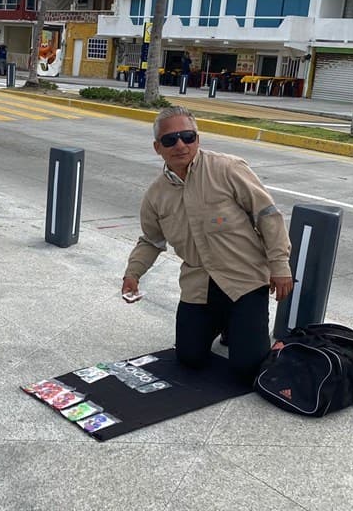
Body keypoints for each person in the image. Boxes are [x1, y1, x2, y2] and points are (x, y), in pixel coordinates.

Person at [121, 106, 293, 382]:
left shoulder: (227, 168)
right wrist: (133, 274)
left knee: (247, 368)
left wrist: (280, 266)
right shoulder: (155, 195)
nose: (180, 144)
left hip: (244, 280)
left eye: (187, 136)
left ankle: (238, 325)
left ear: (197, 139)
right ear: (157, 147)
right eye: (170, 140)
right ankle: (226, 323)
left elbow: (267, 214)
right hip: (199, 285)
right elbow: (151, 240)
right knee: (189, 358)